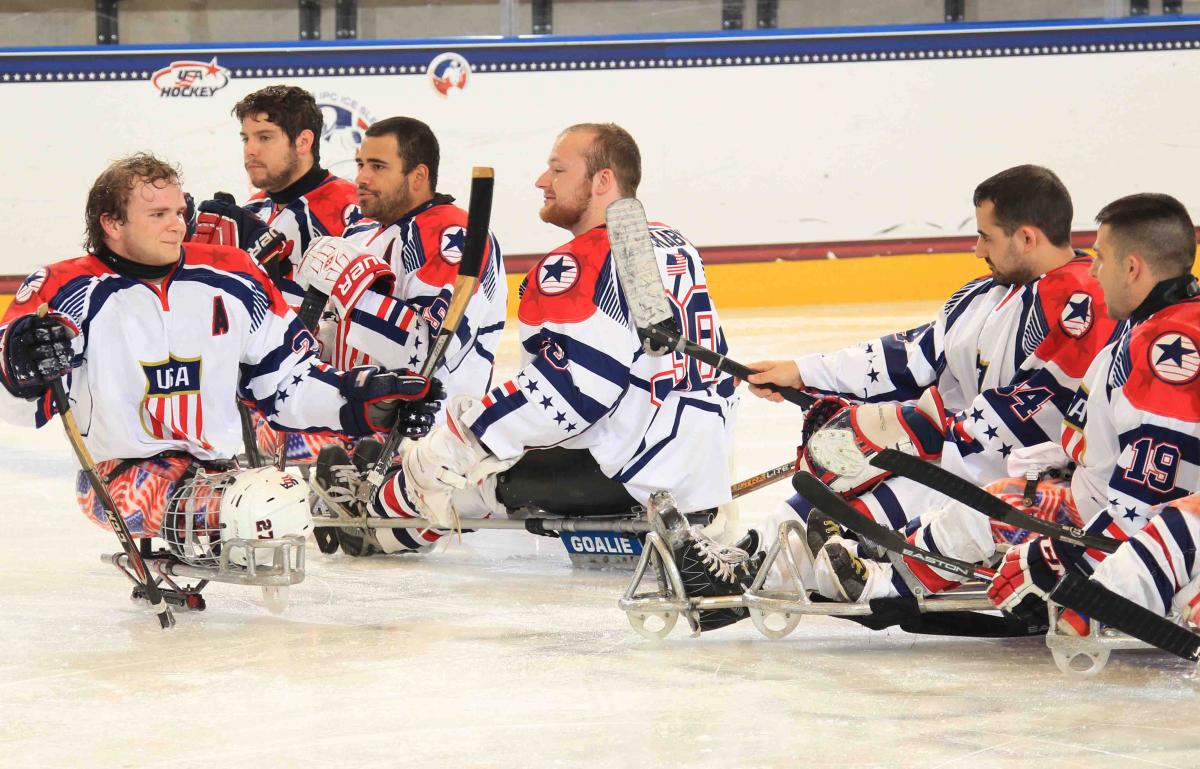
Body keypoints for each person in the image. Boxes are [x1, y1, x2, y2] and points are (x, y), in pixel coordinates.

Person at [314, 123, 753, 626]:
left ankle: (382, 524)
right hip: (696, 468)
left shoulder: (577, 262)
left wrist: (450, 447)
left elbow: (565, 397)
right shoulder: (673, 243)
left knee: (464, 474)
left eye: (559, 170)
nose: (542, 180)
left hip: (628, 478)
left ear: (603, 180)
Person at [0, 153, 441, 566]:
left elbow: (288, 380)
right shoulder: (64, 288)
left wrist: (362, 401)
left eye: (179, 212)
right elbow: (16, 406)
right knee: (253, 515)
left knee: (281, 506)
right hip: (120, 477)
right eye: (158, 215)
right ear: (112, 223)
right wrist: (19, 367)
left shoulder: (232, 274)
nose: (177, 226)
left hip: (219, 471)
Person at [745, 165, 1122, 606]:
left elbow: (1041, 410)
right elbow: (907, 355)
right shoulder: (985, 293)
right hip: (955, 456)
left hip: (1005, 476)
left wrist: (933, 432)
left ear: (1026, 238)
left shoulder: (1081, 303)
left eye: (986, 236)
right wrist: (803, 372)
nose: (976, 247)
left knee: (884, 486)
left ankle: (774, 569)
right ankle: (751, 551)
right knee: (847, 466)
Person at [288, 116, 508, 555]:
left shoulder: (451, 233)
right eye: (360, 164)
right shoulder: (366, 232)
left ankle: (396, 505)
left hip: (428, 447)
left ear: (418, 175)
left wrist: (352, 289)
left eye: (378, 167)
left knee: (377, 541)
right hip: (368, 440)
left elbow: (429, 350)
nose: (361, 179)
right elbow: (341, 337)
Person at [985, 193, 1200, 626]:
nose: (1094, 270)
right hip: (1124, 516)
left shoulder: (1169, 345)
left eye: (1101, 257)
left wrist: (1067, 559)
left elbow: (1149, 495)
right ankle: (881, 577)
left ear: (1133, 267)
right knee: (995, 505)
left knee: (1180, 602)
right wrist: (1069, 457)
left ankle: (883, 583)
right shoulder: (1145, 327)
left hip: (1158, 530)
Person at [190, 85, 368, 466]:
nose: (250, 150)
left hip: (323, 395)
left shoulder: (350, 208)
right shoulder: (253, 209)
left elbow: (360, 310)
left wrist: (275, 269)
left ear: (304, 141)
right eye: (246, 139)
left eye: (265, 138)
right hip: (257, 390)